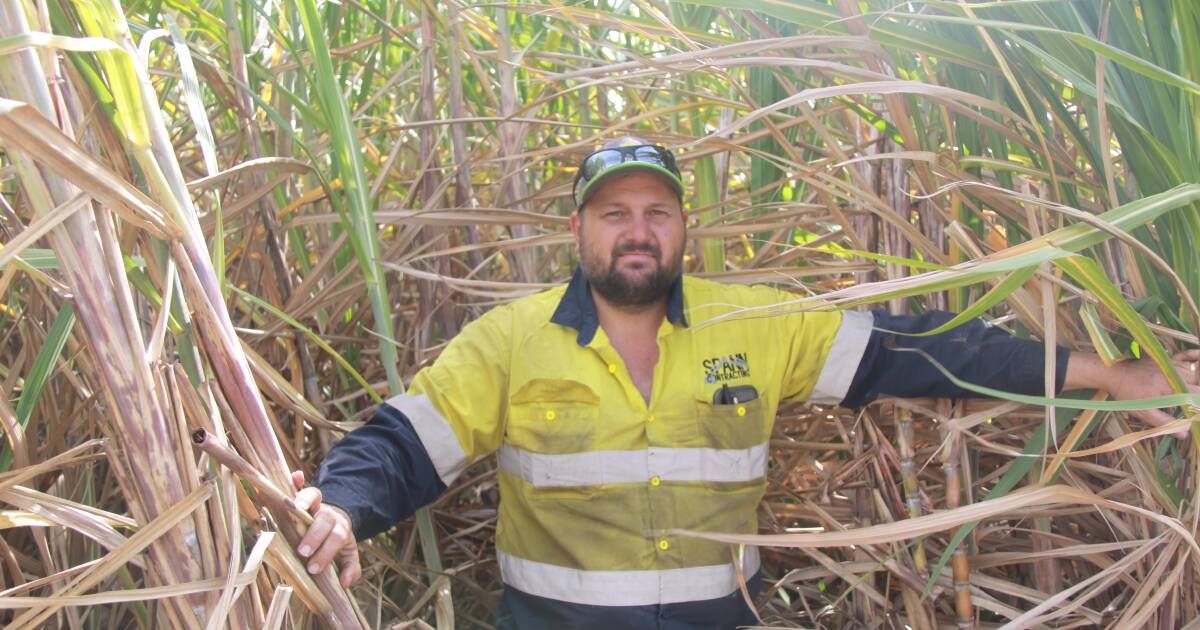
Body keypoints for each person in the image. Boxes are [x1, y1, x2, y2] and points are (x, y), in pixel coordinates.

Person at [293, 137, 1199, 629]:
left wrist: (1106, 374)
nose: (637, 232)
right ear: (580, 232)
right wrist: (339, 504)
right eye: (616, 215)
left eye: (657, 213)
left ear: (685, 229)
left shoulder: (755, 323)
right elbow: (404, 443)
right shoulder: (510, 342)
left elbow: (918, 351)